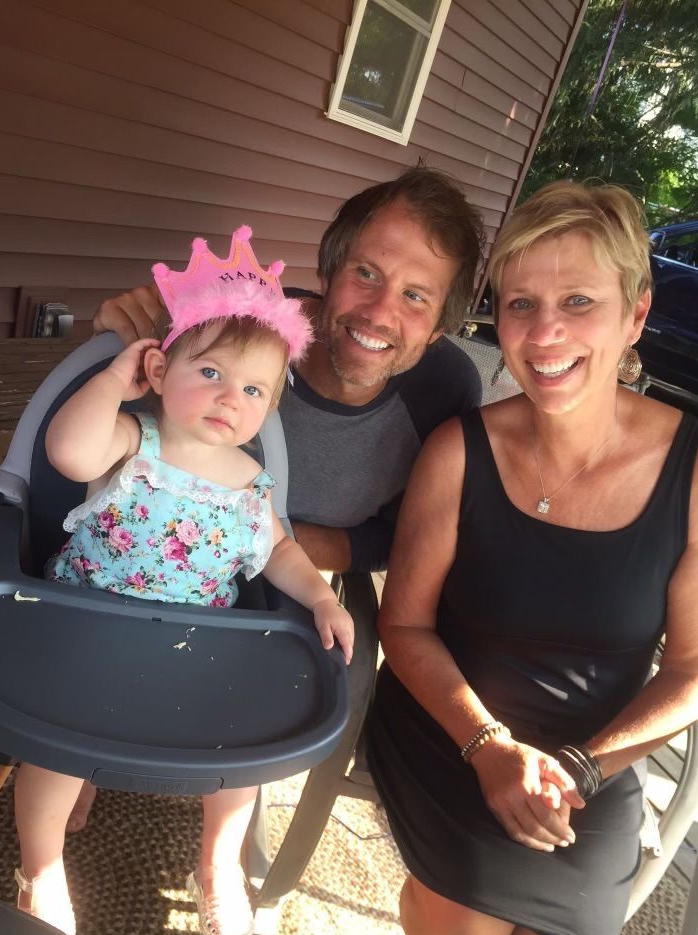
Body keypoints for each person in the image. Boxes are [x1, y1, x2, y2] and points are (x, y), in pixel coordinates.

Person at [365, 179, 698, 935]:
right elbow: (401, 624)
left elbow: (694, 667)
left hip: (598, 751)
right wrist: (486, 744)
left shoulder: (691, 472)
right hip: (450, 719)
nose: (544, 334)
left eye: (578, 301)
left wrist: (587, 766)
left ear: (635, 314)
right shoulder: (460, 451)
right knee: (466, 929)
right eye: (521, 303)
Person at [66, 166, 487, 835]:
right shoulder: (247, 322)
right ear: (330, 267)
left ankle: (227, 836)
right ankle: (76, 762)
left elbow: (411, 530)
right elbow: (140, 406)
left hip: (276, 555)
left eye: (417, 296)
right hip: (153, 537)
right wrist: (112, 335)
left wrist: (288, 547)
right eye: (367, 273)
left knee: (308, 679)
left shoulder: (446, 391)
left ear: (439, 327)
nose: (380, 314)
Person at [12, 226, 354, 935]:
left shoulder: (250, 487)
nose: (232, 397)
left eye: (254, 388)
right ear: (161, 371)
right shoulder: (133, 441)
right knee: (58, 744)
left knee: (248, 751)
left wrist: (321, 594)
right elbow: (68, 451)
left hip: (197, 649)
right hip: (85, 629)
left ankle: (218, 862)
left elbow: (279, 555)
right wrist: (111, 379)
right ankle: (41, 865)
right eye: (210, 374)